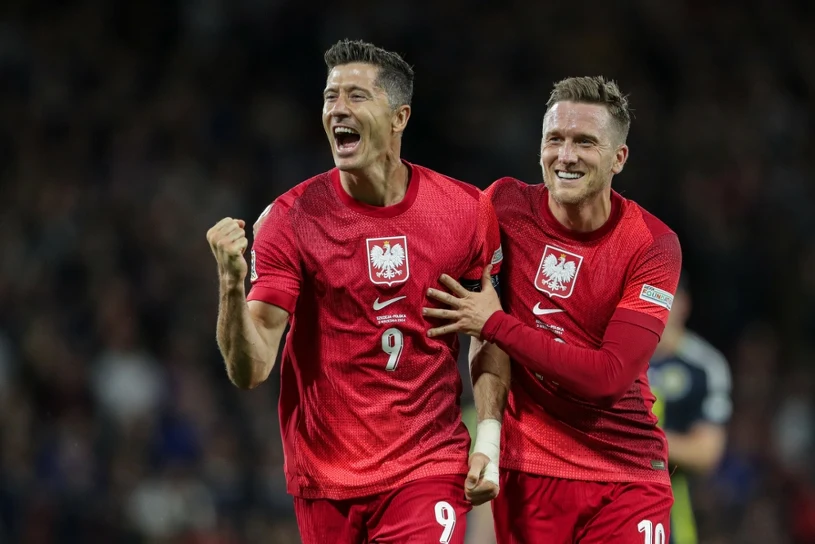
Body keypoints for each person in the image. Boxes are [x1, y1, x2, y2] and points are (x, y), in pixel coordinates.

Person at [206, 39, 506, 544]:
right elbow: (250, 368)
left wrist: (489, 439)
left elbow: (490, 330)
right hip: (326, 477)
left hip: (427, 467)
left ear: (399, 117)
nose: (337, 109)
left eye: (356, 96)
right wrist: (232, 286)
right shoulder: (291, 219)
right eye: (330, 97)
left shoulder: (465, 211)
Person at [423, 76, 682, 543]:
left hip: (624, 475)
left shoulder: (651, 244)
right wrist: (488, 441)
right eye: (555, 139)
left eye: (585, 142)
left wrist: (496, 324)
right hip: (530, 475)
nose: (566, 156)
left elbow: (608, 378)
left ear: (619, 158)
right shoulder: (503, 206)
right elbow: (476, 328)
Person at [648, 275, 732, 544]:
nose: (655, 305)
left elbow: (706, 453)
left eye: (664, 297)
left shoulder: (703, 367)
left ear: (684, 303)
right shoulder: (617, 357)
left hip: (672, 520)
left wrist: (639, 439)